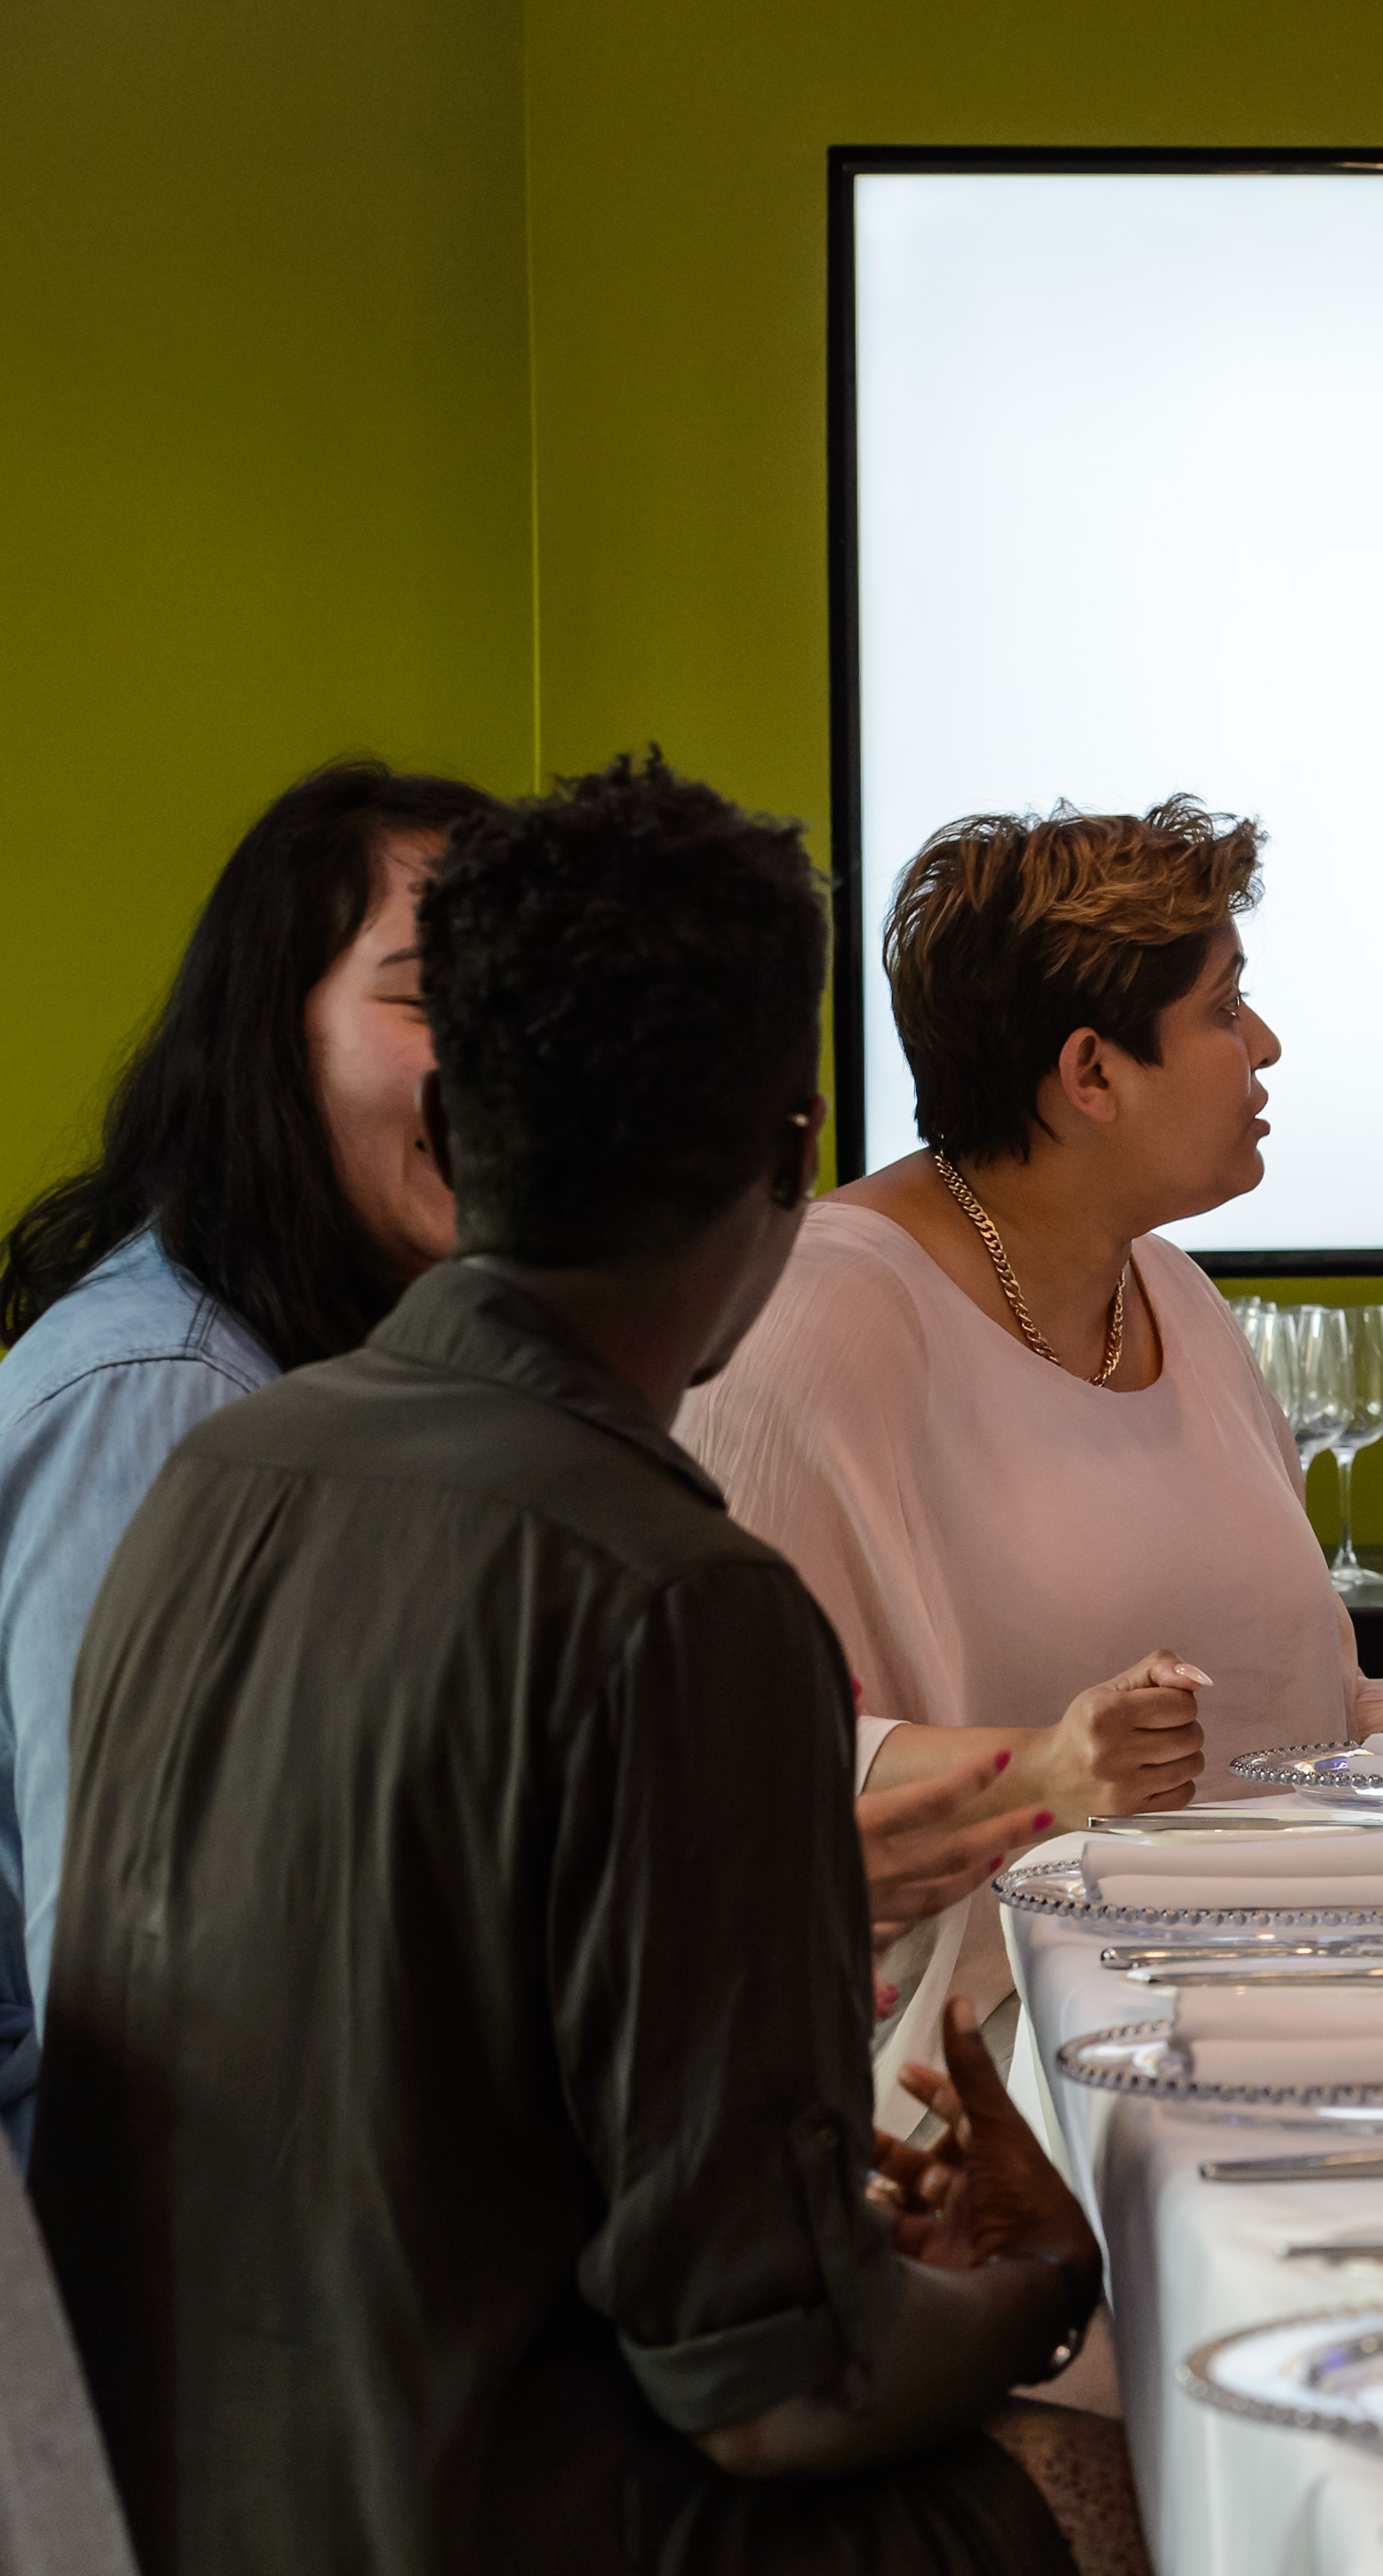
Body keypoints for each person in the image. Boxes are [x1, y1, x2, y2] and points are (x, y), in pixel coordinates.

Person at [35, 754, 1099, 2573]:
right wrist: (1043, 2276)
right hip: (515, 2519)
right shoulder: (682, 1597)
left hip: (175, 2502)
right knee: (1095, 2488)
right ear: (789, 1159)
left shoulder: (218, 1468)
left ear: (451, 1137)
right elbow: (774, 2386)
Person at [680, 796, 1383, 2124]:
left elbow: (1306, 1694)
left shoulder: (1175, 1291)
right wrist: (1042, 1763)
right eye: (1224, 1010)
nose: (1263, 1045)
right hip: (993, 2099)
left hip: (1298, 2013)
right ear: (1090, 1073)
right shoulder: (815, 1319)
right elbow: (732, 1771)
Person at [0, 763, 488, 2161]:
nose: (495, 1058)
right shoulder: (163, 1397)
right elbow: (147, 2008)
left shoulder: (379, 1376)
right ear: (277, 1038)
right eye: (422, 994)